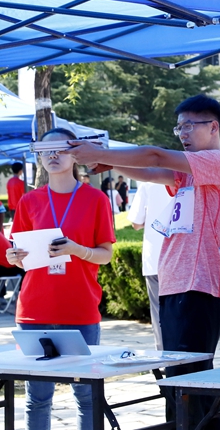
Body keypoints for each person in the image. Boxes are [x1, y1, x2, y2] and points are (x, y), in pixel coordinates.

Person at [66, 94, 220, 430]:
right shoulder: (190, 171)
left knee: (194, 389)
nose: (183, 133)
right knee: (179, 385)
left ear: (214, 127)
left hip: (198, 285)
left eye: (190, 125)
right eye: (179, 128)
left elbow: (155, 155)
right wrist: (111, 164)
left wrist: (100, 154)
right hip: (175, 283)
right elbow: (150, 170)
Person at [5, 127, 114, 430]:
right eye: (45, 149)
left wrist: (78, 249)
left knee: (87, 395)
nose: (53, 155)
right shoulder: (29, 201)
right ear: (38, 155)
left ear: (76, 153)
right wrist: (14, 257)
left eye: (61, 148)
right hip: (34, 311)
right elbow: (19, 254)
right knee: (37, 397)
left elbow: (105, 254)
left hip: (79, 309)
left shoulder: (96, 200)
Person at [127, 181, 173, 350]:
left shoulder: (147, 182)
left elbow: (136, 223)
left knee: (158, 311)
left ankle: (163, 355)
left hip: (154, 256)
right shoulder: (186, 177)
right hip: (181, 257)